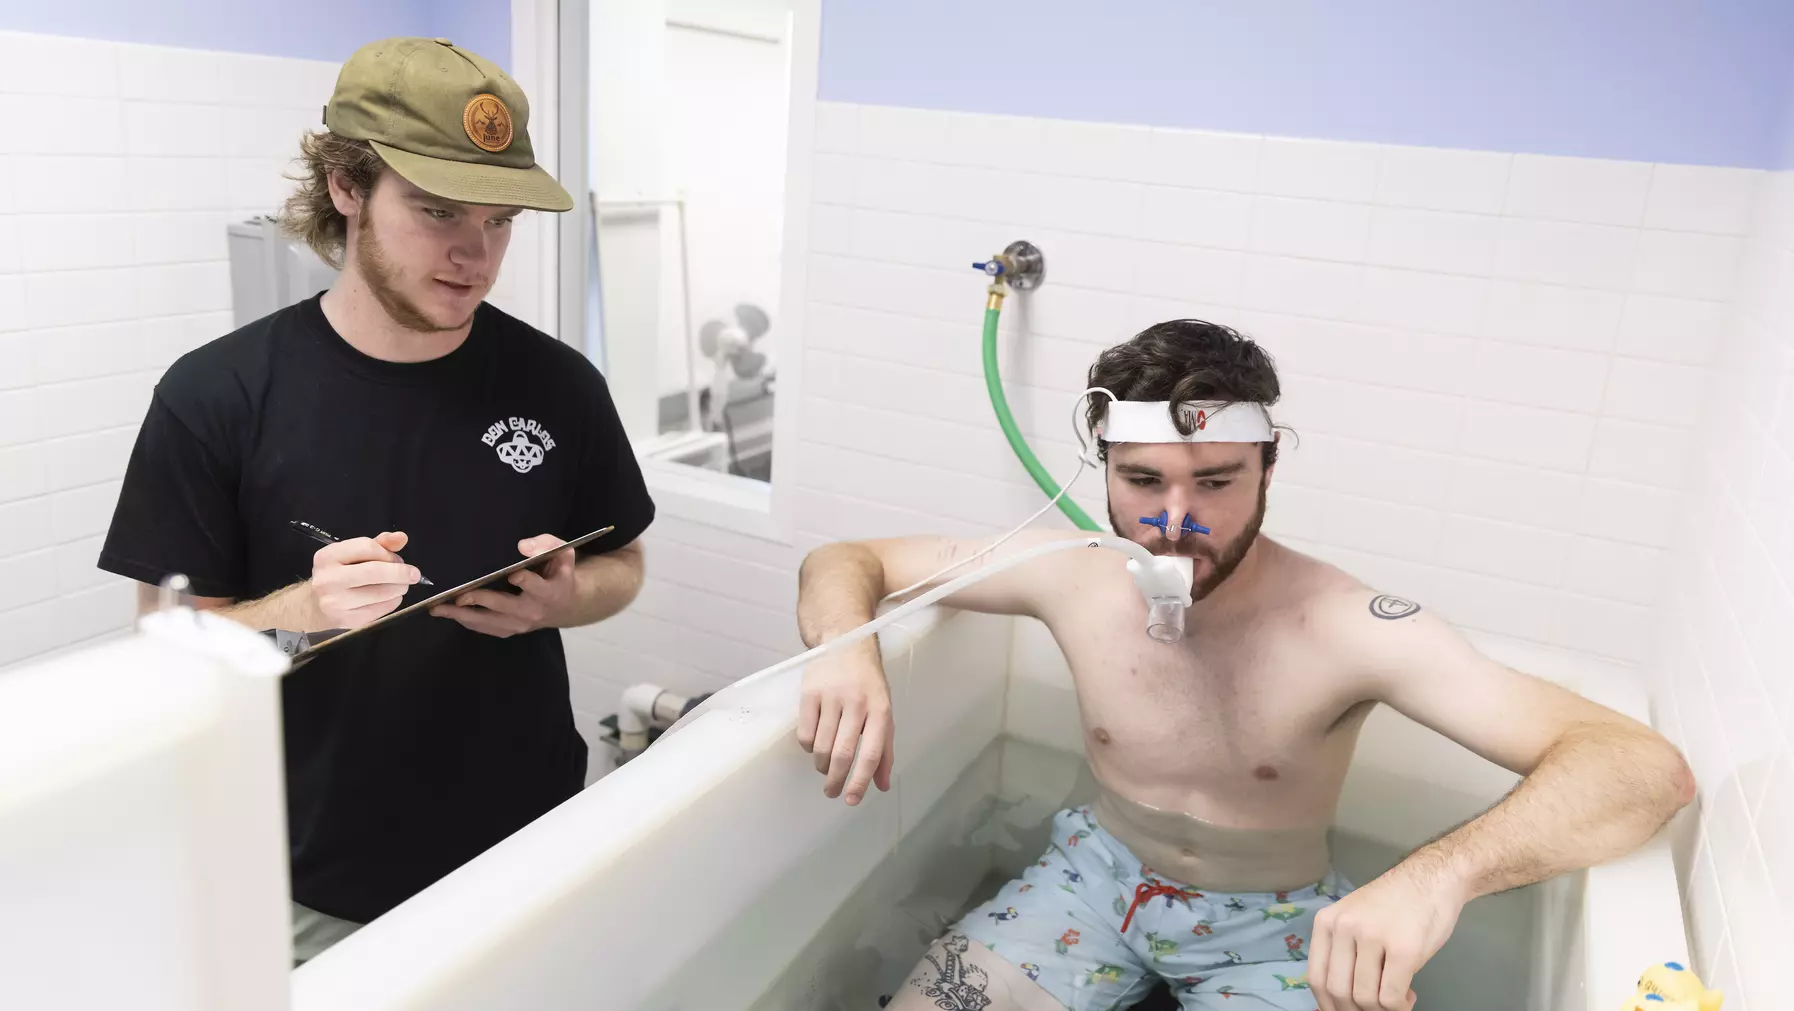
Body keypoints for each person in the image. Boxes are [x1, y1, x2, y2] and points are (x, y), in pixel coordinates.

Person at [793, 320, 1693, 1011]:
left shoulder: (1347, 626)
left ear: (1268, 469)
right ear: (1103, 470)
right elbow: (844, 560)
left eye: (1216, 482)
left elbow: (1641, 767)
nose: (1176, 519)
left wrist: (1432, 878)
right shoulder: (1070, 573)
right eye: (1143, 482)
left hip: (1270, 925)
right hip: (1087, 879)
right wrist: (849, 651)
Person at [98, 37, 655, 965]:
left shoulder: (559, 385)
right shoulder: (218, 398)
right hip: (315, 883)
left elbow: (623, 561)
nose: (473, 255)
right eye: (437, 211)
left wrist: (568, 598)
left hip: (533, 844)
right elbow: (165, 647)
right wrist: (299, 610)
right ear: (346, 185)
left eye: (500, 221)